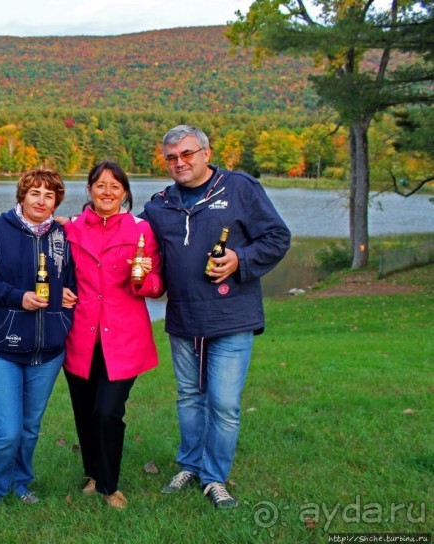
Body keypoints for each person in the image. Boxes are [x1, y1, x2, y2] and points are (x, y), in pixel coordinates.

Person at [140, 125, 291, 509]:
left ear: (206, 153)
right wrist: (75, 225)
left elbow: (276, 237)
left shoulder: (239, 188)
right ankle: (190, 464)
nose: (180, 163)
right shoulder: (160, 204)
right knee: (189, 398)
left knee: (223, 404)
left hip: (231, 317)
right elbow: (129, 235)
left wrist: (240, 259)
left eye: (187, 154)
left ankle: (214, 477)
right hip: (184, 318)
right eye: (172, 157)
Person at [0, 167, 75, 517]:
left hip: (48, 349)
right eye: (35, 193)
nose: (41, 200)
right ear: (22, 196)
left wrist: (67, 297)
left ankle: (19, 482)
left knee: (29, 428)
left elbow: (70, 279)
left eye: (49, 195)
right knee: (7, 429)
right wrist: (17, 297)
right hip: (2, 348)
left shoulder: (62, 235)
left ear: (56, 200)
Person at [61, 161, 163, 510]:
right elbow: (54, 270)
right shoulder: (71, 228)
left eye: (114, 187)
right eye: (100, 185)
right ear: (89, 190)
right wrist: (60, 291)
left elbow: (154, 287)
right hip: (80, 334)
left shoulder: (141, 230)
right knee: (84, 410)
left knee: (107, 411)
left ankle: (109, 485)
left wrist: (143, 277)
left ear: (125, 193)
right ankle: (92, 473)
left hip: (124, 336)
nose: (107, 192)